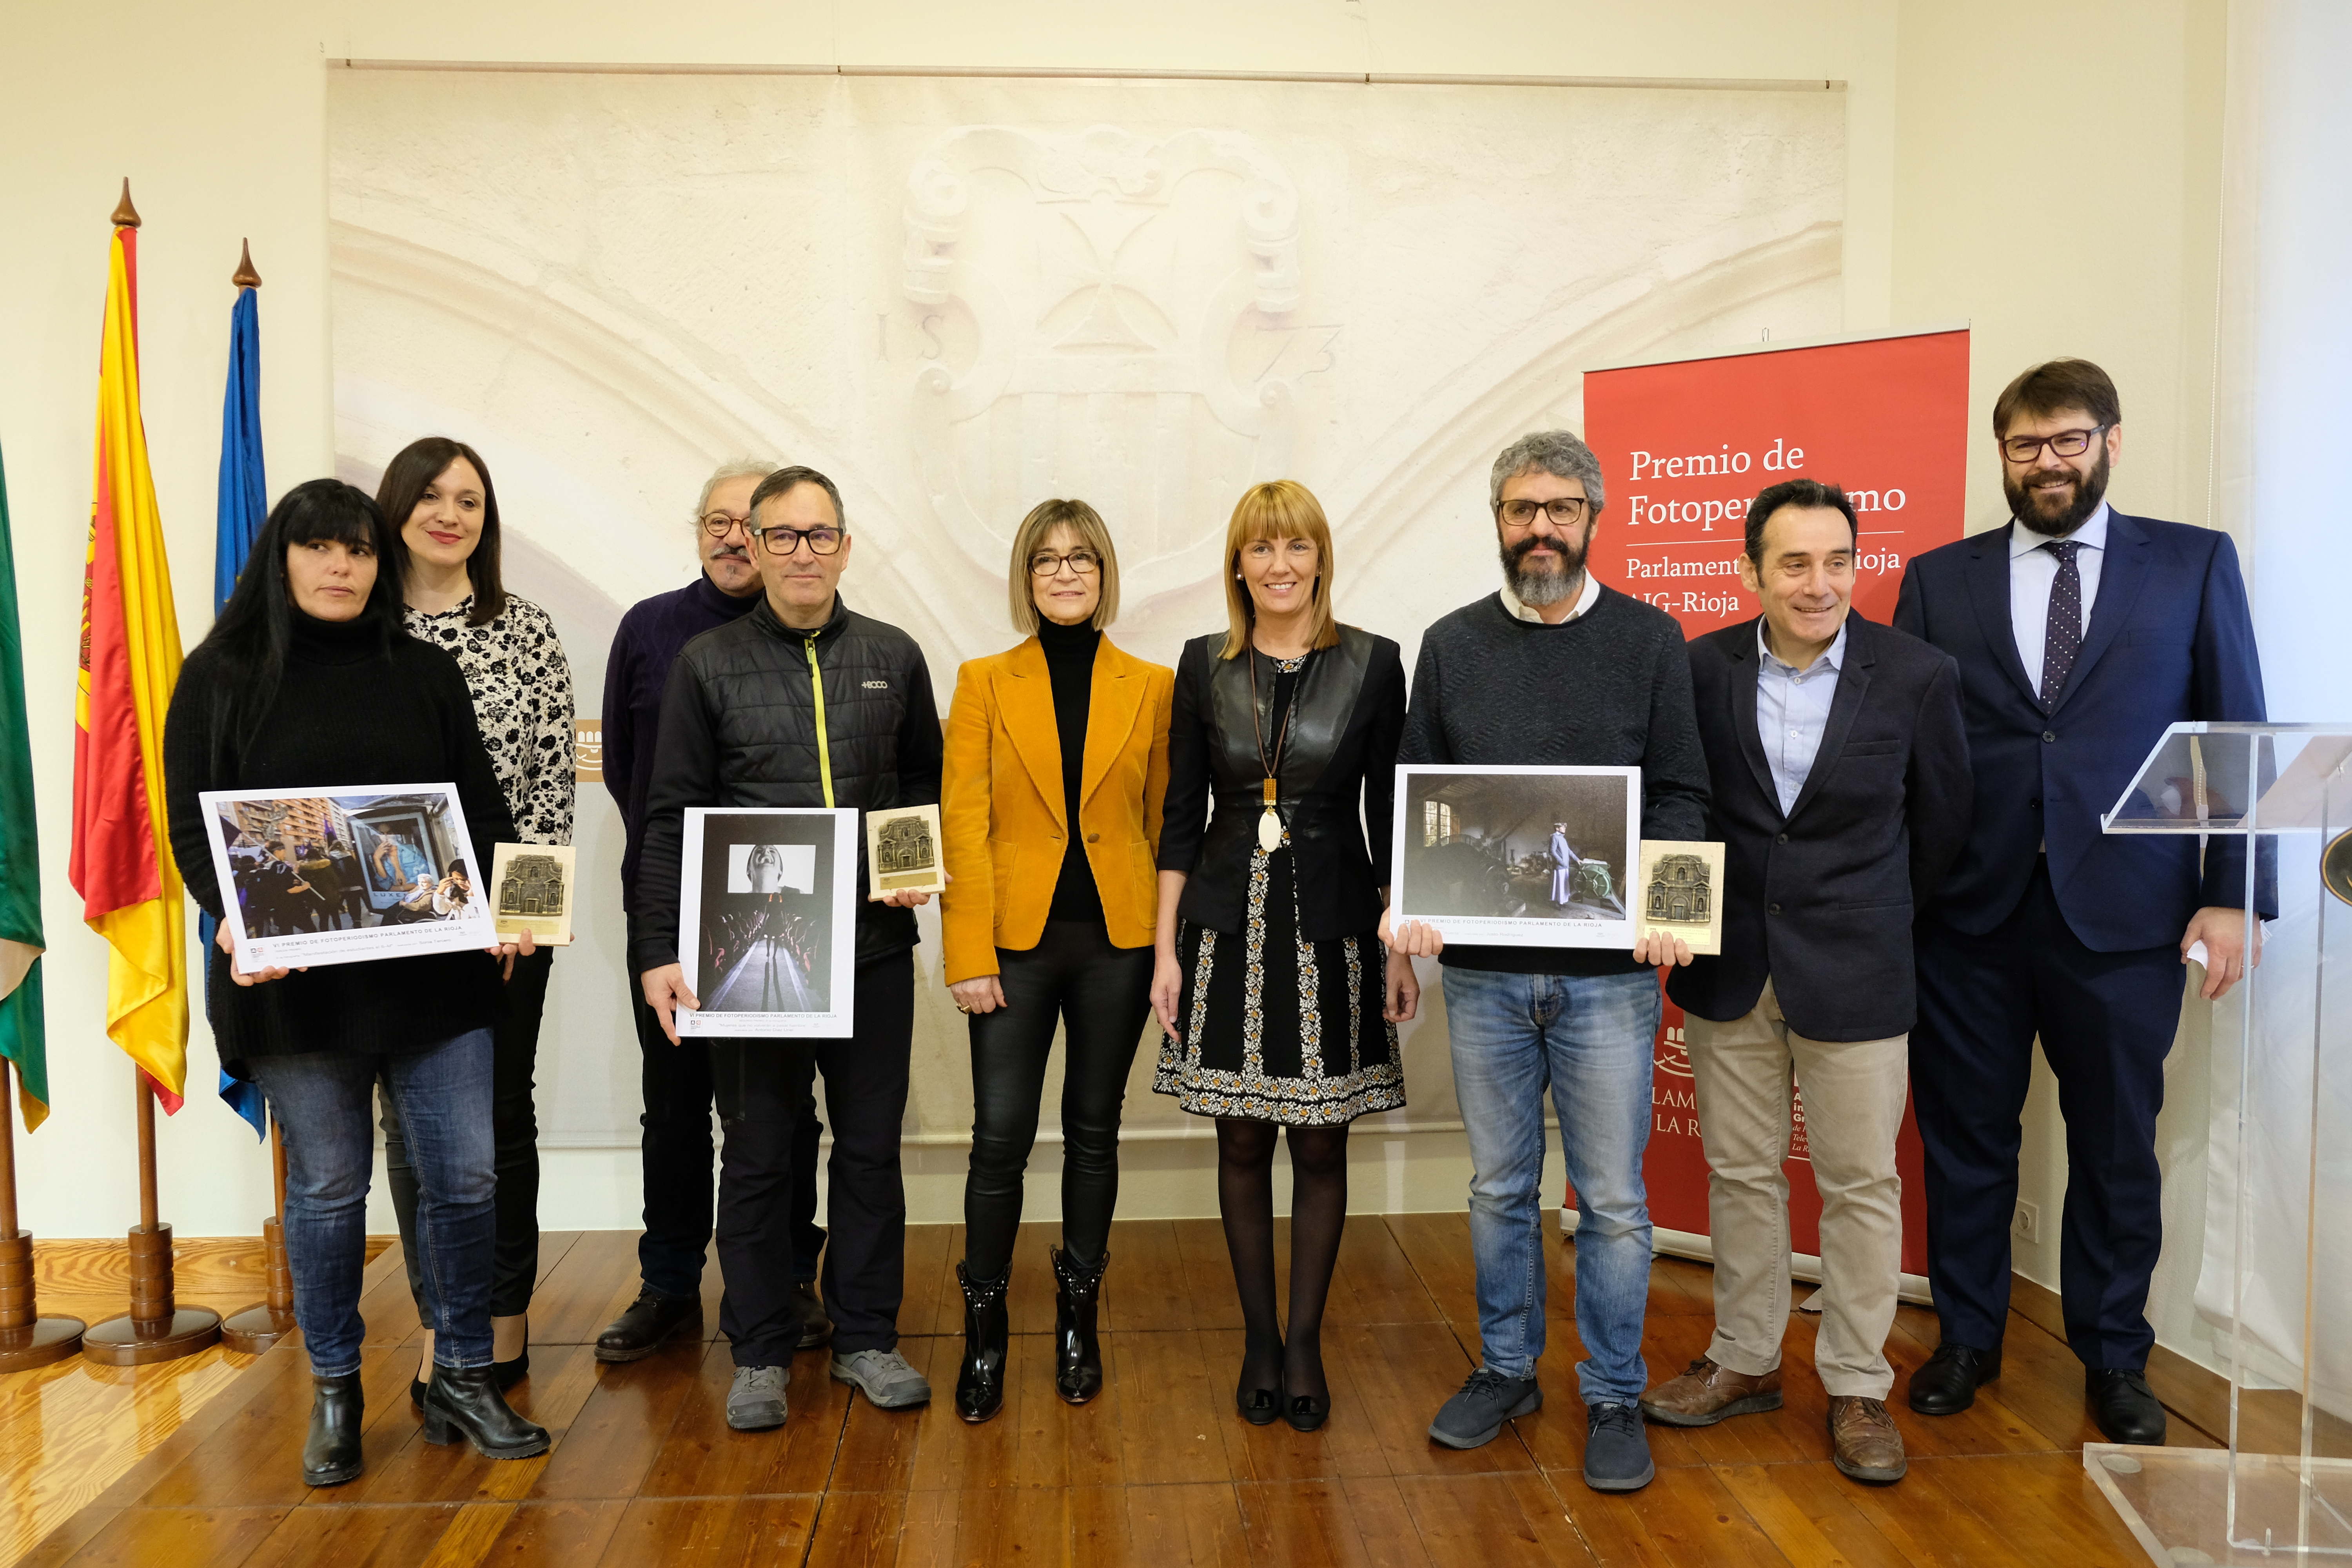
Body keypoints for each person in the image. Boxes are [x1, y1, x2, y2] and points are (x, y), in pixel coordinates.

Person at [1893, 359, 2268, 1446]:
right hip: (1968, 914)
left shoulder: (2192, 564)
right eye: (2025, 446)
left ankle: (2115, 1356)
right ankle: (1968, 1338)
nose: (2048, 463)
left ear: (2110, 439)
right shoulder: (1939, 579)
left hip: (2129, 914)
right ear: (2000, 455)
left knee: (2115, 1146)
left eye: (2068, 441)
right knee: (1966, 1141)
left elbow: (2232, 732)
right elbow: (1913, 753)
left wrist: (2232, 895)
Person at [162, 479, 542, 1488]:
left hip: (435, 974)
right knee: (330, 1189)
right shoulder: (222, 675)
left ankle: (463, 1374)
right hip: (293, 983)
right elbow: (195, 828)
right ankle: (335, 1385)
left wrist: (513, 910)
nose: (342, 566)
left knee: (465, 1176)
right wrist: (235, 922)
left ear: (382, 564)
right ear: (281, 559)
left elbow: (483, 806)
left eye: (360, 550)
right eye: (321, 548)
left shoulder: (425, 672)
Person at [1386, 430, 1708, 1491]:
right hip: (1480, 971)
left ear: (1594, 519)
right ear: (1497, 522)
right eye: (1522, 510)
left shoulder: (1653, 642)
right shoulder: (1451, 644)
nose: (1540, 529)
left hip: (1611, 979)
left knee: (1612, 1199)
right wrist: (1416, 904)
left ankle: (1614, 1389)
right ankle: (1509, 1370)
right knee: (1498, 1189)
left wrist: (1669, 910)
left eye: (1560, 510)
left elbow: (1682, 794)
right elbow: (1422, 792)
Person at [1640, 479, 1971, 1485]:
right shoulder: (1696, 669)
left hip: (1859, 967)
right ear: (1752, 572)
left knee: (1861, 1183)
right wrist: (1676, 918)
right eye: (1794, 562)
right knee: (1740, 1175)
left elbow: (1944, 827)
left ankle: (1858, 1382)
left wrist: (1870, 916)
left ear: (1857, 566)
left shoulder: (1917, 675)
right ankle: (1744, 1359)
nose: (1817, 582)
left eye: (1836, 560)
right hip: (1729, 962)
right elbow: (1679, 803)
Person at [635, 464, 944, 1432]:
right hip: (750, 954)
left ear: (846, 547)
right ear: (753, 548)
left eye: (820, 535)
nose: (802, 552)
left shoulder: (894, 654)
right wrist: (657, 949)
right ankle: (761, 1349)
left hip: (874, 950)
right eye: (782, 536)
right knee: (762, 1155)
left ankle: (864, 1336)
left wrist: (914, 866)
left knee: (867, 1152)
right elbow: (670, 816)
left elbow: (920, 799)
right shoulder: (707, 664)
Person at [1151, 480, 1414, 1434]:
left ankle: (1305, 1339)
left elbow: (1389, 813)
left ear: (1319, 558)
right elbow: (1179, 816)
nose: (1279, 564)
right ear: (1237, 564)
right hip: (1223, 927)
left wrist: (1399, 940)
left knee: (1320, 1139)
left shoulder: (1375, 664)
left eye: (1296, 546)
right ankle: (1258, 1337)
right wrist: (1163, 951)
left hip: (1335, 928)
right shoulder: (1201, 666)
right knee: (1239, 1139)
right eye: (1261, 548)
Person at [593, 462, 834, 1367]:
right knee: (675, 1103)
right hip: (670, 904)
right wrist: (675, 887)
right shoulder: (650, 630)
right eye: (718, 520)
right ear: (699, 529)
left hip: (785, 908)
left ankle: (785, 1277)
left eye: (753, 522)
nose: (736, 537)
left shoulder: (806, 630)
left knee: (781, 1111)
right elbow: (627, 772)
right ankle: (668, 1284)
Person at [939, 499, 1174, 1423]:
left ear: (1105, 571)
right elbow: (962, 821)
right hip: (1011, 946)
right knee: (998, 1136)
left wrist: (1165, 946)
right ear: (1025, 578)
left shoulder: (1152, 684)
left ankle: (1078, 1317)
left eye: (1081, 558)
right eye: (1046, 560)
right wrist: (966, 950)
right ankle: (985, 1329)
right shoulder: (984, 680)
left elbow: (1164, 825)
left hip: (1115, 941)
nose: (1066, 572)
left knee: (1093, 1131)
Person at [370, 436, 576, 1404]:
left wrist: (522, 920)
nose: (451, 515)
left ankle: (501, 1318)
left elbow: (545, 795)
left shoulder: (525, 631)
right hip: (381, 919)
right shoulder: (353, 631)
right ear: (397, 505)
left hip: (503, 928)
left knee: (499, 1115)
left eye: (471, 501)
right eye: (433, 496)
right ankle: (438, 1325)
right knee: (408, 1129)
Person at [1547, 824, 1580, 907]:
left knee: (1564, 885)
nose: (1565, 828)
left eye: (1565, 827)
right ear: (1557, 828)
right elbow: (1552, 852)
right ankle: (1557, 903)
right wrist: (1562, 862)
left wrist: (1577, 859)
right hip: (1560, 866)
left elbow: (1569, 851)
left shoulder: (1562, 838)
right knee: (1559, 885)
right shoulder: (1554, 837)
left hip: (1565, 866)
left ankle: (1562, 902)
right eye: (1563, 827)